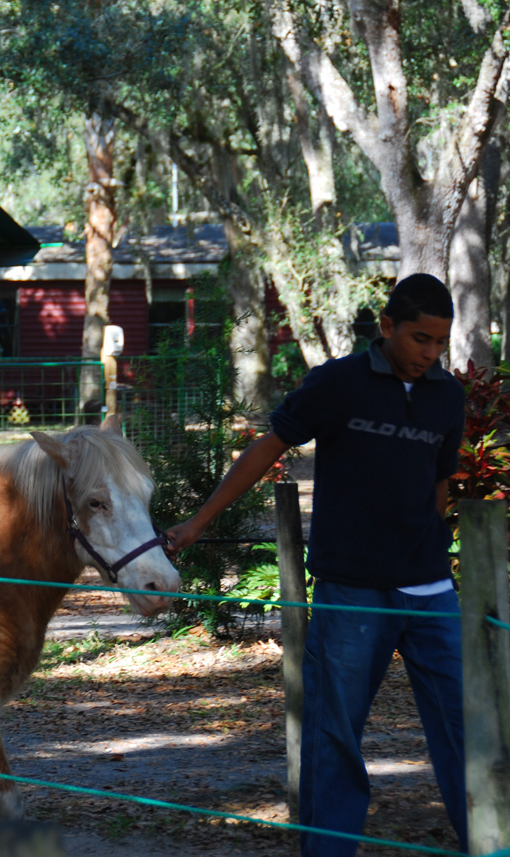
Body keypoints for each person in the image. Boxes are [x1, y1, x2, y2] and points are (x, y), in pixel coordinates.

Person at [164, 273, 468, 857]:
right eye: (418, 339)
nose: (428, 353)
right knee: (334, 738)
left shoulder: (446, 395)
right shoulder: (337, 384)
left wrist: (427, 545)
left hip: (431, 593)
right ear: (386, 327)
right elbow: (266, 448)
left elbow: (439, 481)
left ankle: (489, 840)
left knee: (466, 728)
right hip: (350, 591)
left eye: (439, 342)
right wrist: (198, 523)